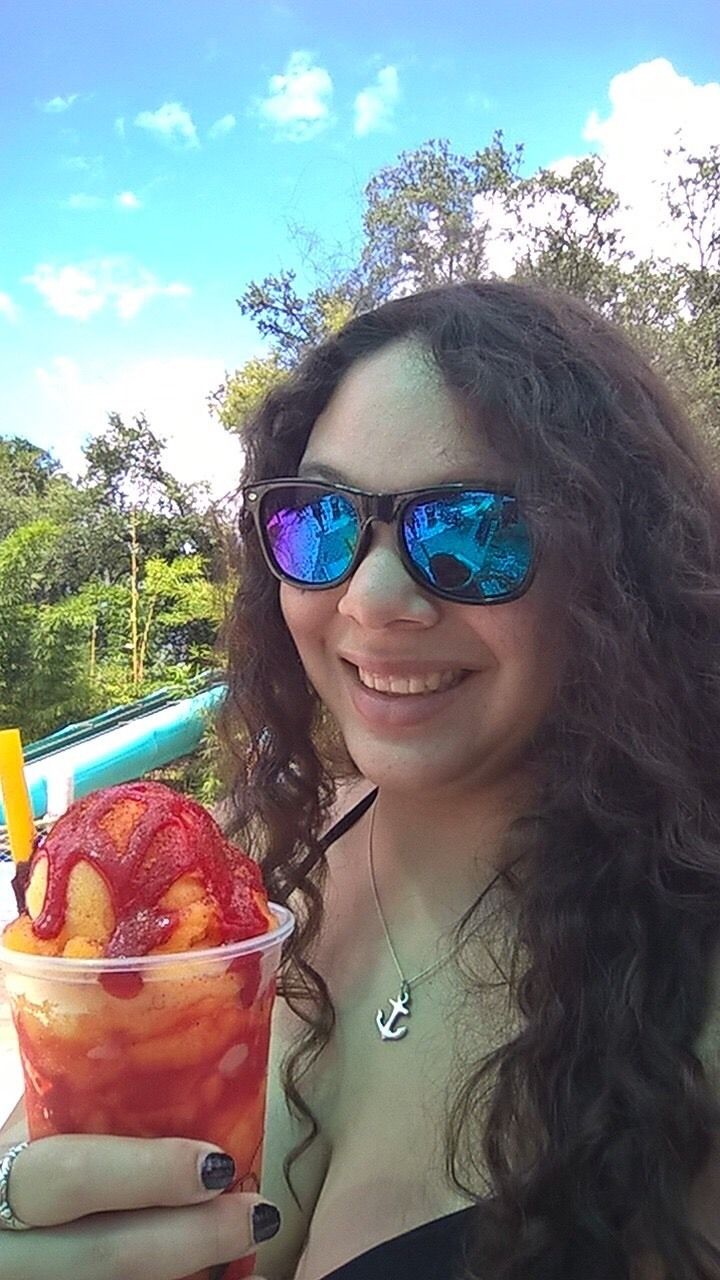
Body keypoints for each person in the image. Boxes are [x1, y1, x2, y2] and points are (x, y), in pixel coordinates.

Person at [2, 279, 720, 1280]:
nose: (371, 597)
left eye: (473, 529)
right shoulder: (234, 871)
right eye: (321, 521)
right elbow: (48, 1140)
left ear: (613, 573)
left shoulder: (689, 990)